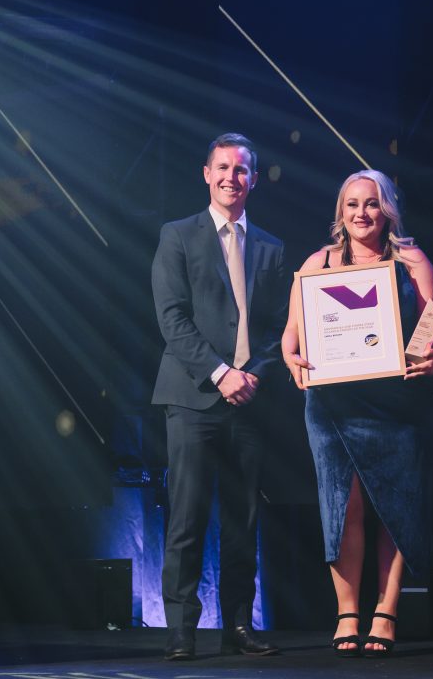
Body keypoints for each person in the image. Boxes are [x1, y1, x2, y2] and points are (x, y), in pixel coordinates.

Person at [282, 170, 433, 657]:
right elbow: (291, 336)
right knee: (343, 508)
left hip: (396, 402)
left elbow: (432, 327)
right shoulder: (319, 262)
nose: (361, 213)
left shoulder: (411, 260)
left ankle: (387, 612)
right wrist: (294, 360)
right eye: (352, 204)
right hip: (332, 405)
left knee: (394, 508)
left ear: (387, 209)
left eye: (371, 204)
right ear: (340, 212)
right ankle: (347, 613)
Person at [151, 133, 288, 660]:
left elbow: (281, 328)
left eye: (242, 169)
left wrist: (252, 374)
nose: (232, 176)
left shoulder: (272, 248)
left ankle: (237, 625)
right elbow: (172, 318)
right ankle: (181, 630)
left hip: (249, 400)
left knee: (242, 520)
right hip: (192, 397)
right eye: (223, 167)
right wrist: (219, 373)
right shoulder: (178, 235)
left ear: (254, 178)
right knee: (187, 517)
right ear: (206, 174)